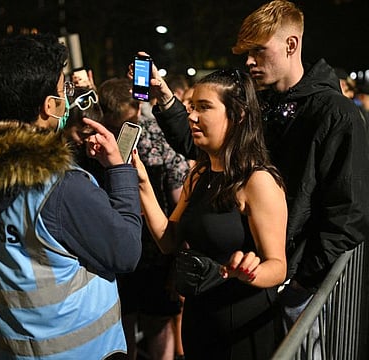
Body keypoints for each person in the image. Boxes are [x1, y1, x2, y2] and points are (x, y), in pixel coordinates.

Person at [137, 0, 369, 351]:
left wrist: (297, 280)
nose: (248, 61)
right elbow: (212, 147)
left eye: (258, 51)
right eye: (246, 52)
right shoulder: (265, 103)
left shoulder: (335, 114)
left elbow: (348, 213)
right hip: (254, 280)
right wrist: (167, 102)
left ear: (291, 45)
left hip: (299, 287)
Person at [0, 33, 143, 359]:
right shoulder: (60, 184)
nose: (67, 99)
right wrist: (120, 172)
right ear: (50, 106)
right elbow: (126, 251)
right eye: (64, 91)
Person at [132, 69, 287, 359]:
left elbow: (277, 267)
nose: (191, 117)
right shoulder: (199, 173)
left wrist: (249, 271)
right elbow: (169, 241)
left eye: (204, 107)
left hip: (241, 325)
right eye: (191, 107)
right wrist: (142, 183)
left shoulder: (257, 181)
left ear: (238, 115)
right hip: (199, 320)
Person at [99, 77, 190, 360]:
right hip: (125, 251)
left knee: (151, 323)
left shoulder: (98, 138)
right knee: (131, 324)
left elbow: (179, 199)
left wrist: (178, 260)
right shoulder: (93, 140)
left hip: (149, 249)